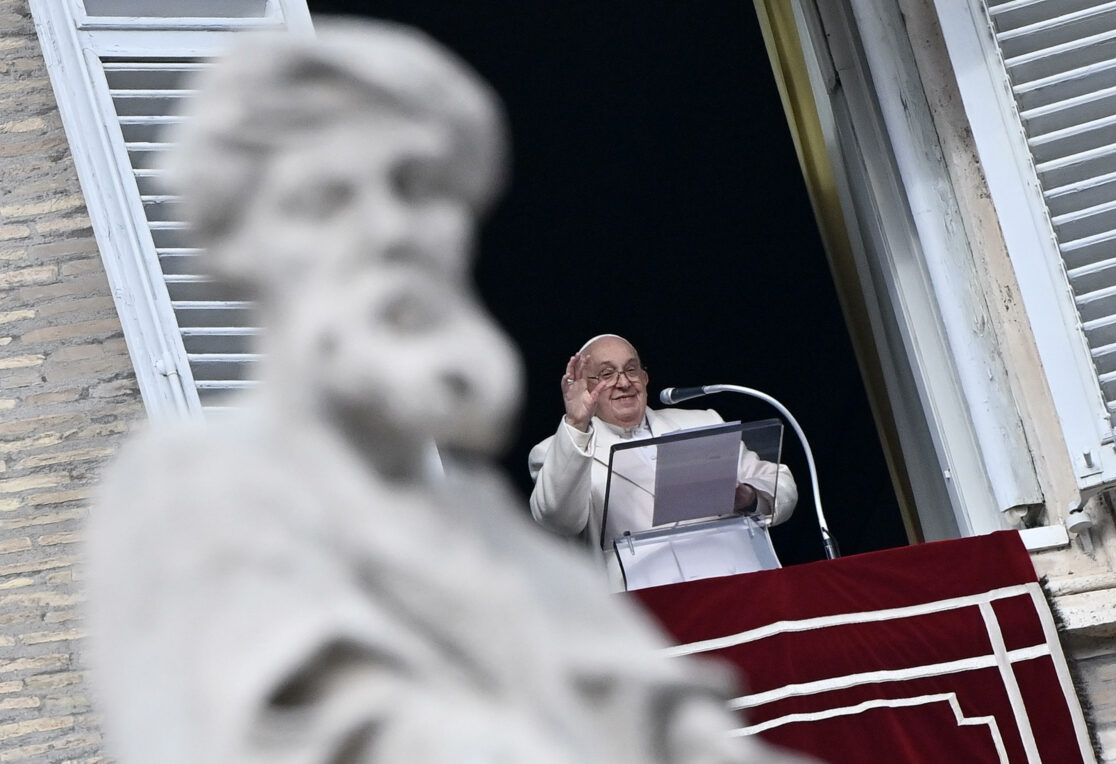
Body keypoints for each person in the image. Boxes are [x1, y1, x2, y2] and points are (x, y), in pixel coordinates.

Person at [86, 21, 809, 763]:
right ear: (238, 246)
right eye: (330, 195)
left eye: (419, 188)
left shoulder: (477, 523)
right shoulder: (193, 486)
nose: (393, 229)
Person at [528, 334, 798, 584]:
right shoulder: (557, 451)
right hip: (647, 612)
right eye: (607, 374)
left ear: (645, 378)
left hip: (738, 587)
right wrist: (576, 423)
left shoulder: (701, 422)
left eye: (631, 369)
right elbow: (558, 520)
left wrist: (749, 496)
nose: (623, 382)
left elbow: (781, 483)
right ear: (586, 388)